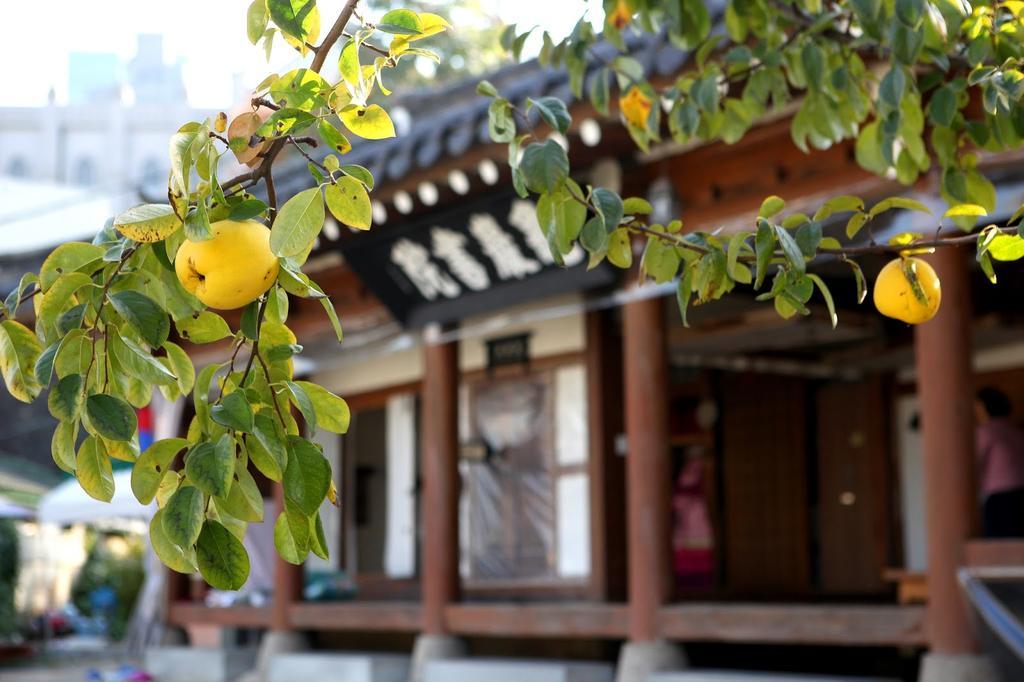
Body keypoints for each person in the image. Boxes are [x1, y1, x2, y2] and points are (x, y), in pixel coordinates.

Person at [976, 387, 1024, 537]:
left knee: (998, 548)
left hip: (1000, 499)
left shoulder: (986, 431)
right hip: (1020, 495)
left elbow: (975, 465)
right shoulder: (1016, 431)